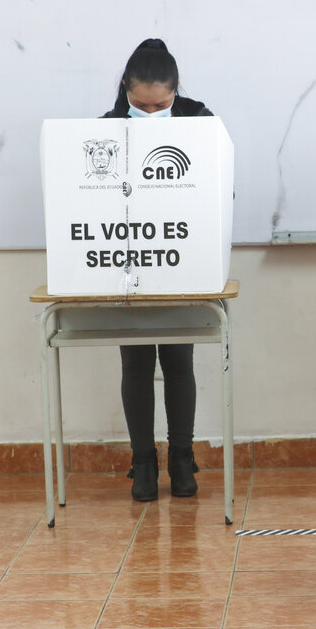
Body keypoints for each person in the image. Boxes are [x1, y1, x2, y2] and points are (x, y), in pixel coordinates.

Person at [101, 38, 213, 501]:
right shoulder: (105, 129)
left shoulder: (201, 121)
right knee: (136, 362)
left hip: (181, 260)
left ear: (176, 92)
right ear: (125, 88)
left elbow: (216, 188)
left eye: (160, 105)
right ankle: (143, 463)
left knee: (178, 359)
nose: (150, 112)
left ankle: (181, 461)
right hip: (129, 263)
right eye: (139, 104)